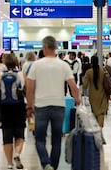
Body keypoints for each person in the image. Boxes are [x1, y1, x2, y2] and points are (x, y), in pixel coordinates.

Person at [26, 36, 81, 170]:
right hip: (58, 106)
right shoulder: (63, 65)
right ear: (55, 47)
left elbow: (29, 88)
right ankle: (53, 167)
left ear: (44, 48)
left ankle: (46, 163)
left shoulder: (36, 65)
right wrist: (78, 102)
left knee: (40, 139)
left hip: (41, 106)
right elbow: (73, 86)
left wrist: (29, 105)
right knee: (57, 140)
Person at [0, 54, 26, 170]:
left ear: (5, 63)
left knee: (7, 136)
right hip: (19, 107)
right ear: (16, 62)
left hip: (4, 108)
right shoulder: (21, 75)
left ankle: (9, 164)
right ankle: (17, 154)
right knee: (20, 135)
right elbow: (26, 90)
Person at [82, 55, 109, 142]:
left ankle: (96, 133)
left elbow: (85, 85)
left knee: (95, 113)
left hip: (93, 96)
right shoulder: (103, 71)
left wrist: (82, 91)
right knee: (101, 114)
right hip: (103, 95)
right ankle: (100, 133)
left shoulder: (89, 72)